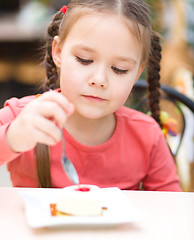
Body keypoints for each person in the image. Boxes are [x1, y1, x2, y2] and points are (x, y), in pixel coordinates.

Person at [0, 0, 181, 191]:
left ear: (137, 73)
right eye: (85, 60)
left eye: (119, 69)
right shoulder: (23, 117)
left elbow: (171, 207)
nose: (99, 79)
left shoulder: (147, 136)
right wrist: (12, 137)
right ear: (58, 52)